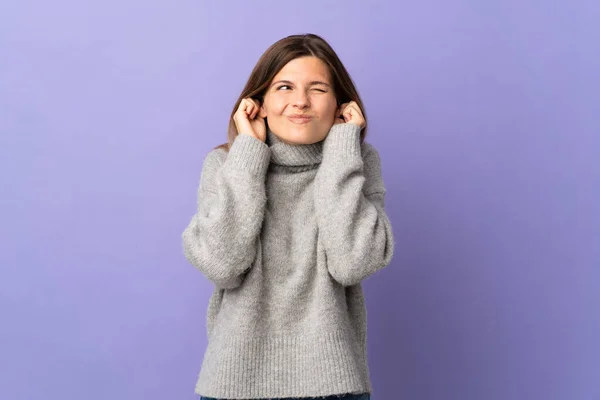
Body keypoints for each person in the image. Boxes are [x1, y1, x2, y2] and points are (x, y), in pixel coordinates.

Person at [181, 33, 395, 400]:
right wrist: (248, 155)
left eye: (317, 89)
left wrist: (343, 153)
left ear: (340, 105)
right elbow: (222, 264)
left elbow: (352, 263)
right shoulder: (225, 164)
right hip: (234, 385)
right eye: (284, 86)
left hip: (334, 384)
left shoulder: (357, 161)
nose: (300, 102)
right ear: (258, 102)